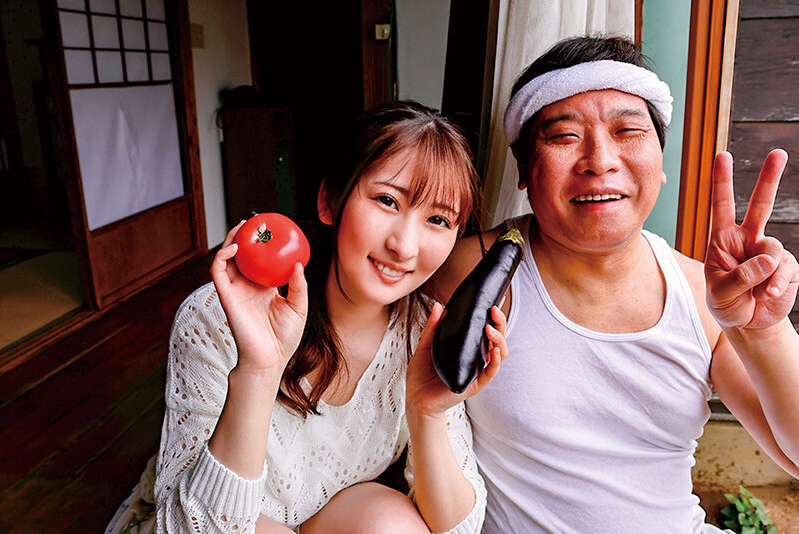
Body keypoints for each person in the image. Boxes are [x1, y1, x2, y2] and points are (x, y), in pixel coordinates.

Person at [428, 35, 799, 533]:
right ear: (524, 169)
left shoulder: (703, 294)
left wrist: (764, 332)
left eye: (628, 131)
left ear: (661, 163)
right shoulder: (470, 272)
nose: (599, 160)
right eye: (564, 137)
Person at [106, 101, 509, 534]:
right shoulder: (218, 316)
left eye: (438, 219)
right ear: (328, 202)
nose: (405, 246)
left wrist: (426, 413)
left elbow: (458, 528)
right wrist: (258, 370)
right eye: (387, 200)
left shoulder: (424, 335)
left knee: (391, 524)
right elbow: (188, 528)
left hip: (319, 521)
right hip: (203, 523)